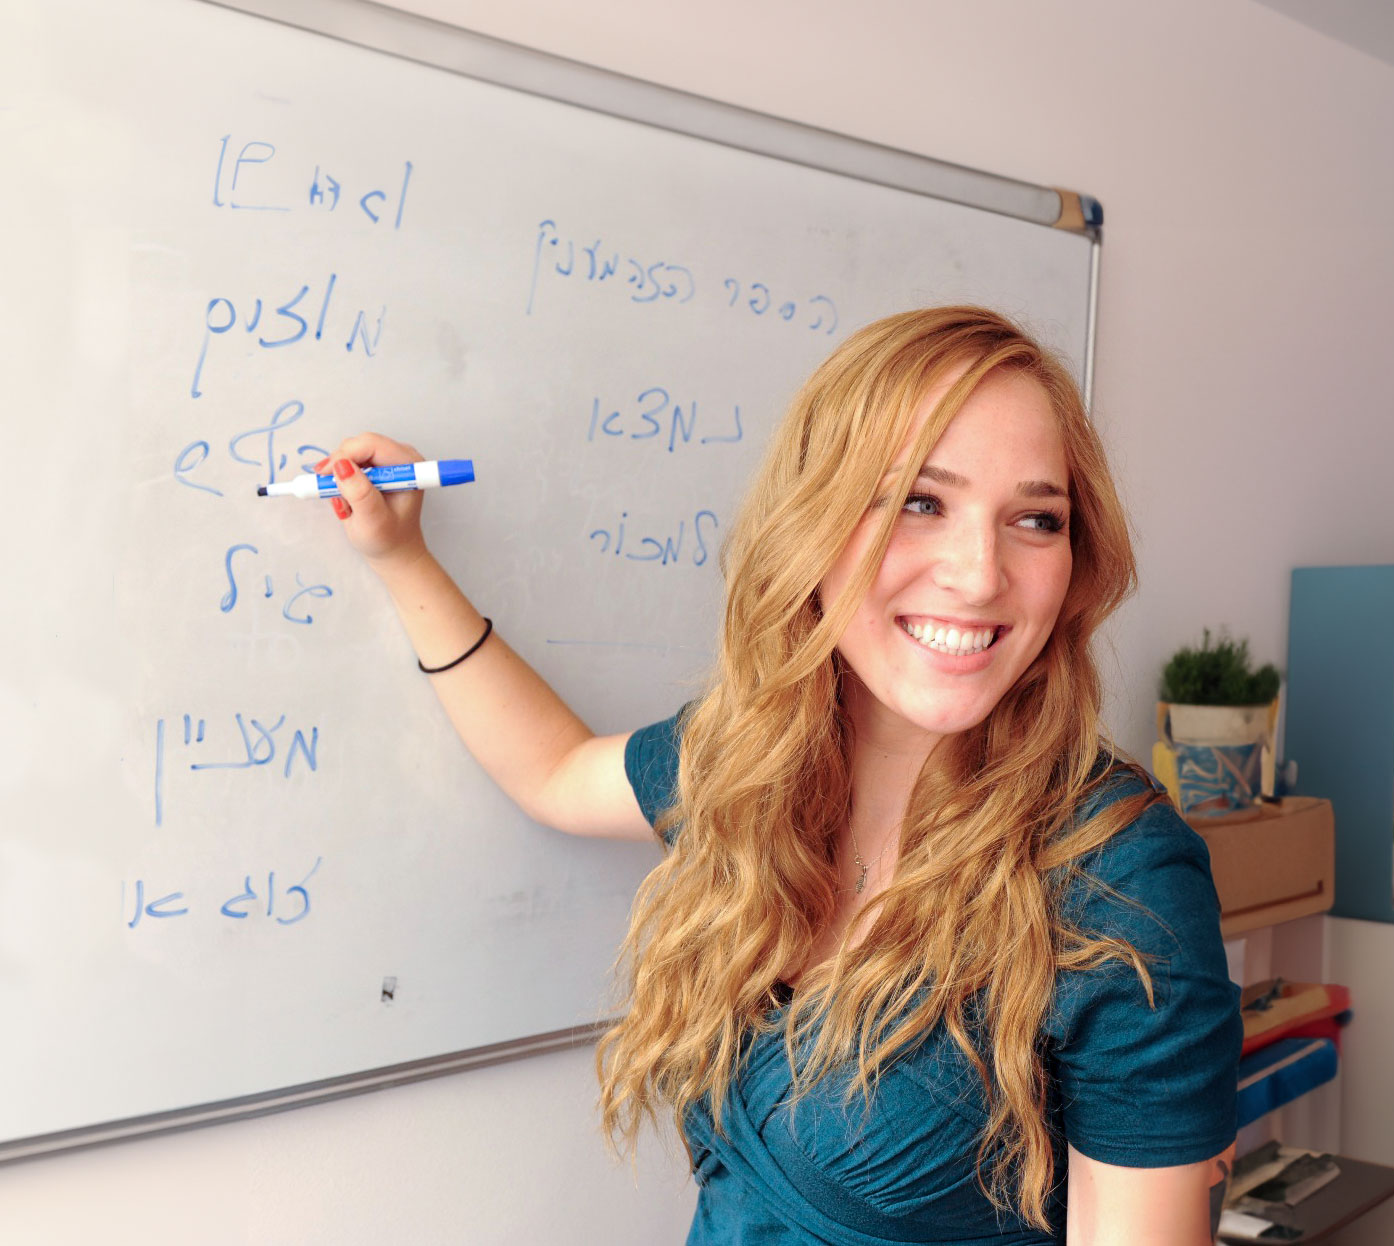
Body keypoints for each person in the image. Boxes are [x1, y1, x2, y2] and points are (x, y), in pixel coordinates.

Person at [319, 306, 1241, 1244]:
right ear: (816, 522)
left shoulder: (1119, 877)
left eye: (1035, 520)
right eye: (920, 501)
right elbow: (554, 772)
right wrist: (401, 559)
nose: (977, 573)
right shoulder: (756, 765)